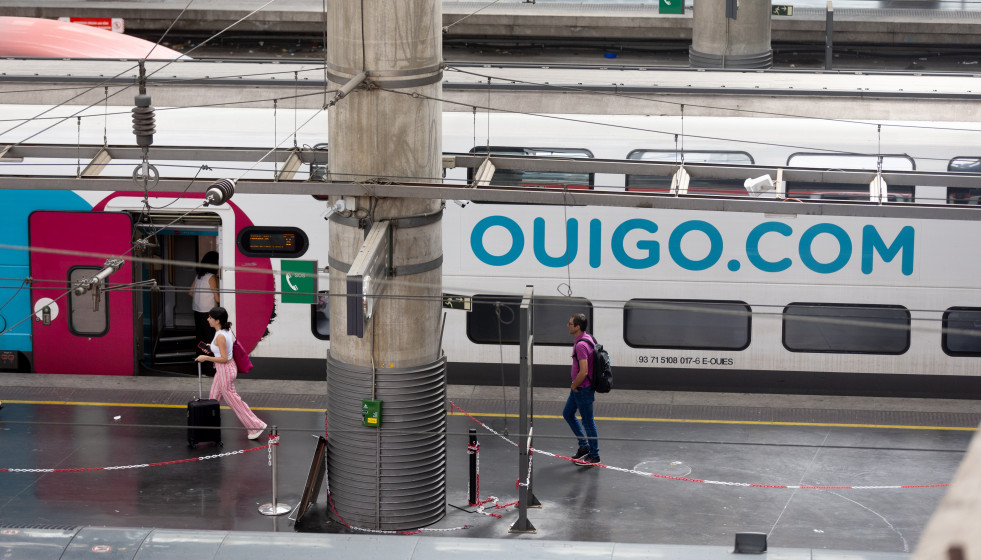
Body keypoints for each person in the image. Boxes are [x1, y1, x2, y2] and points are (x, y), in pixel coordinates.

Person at [195, 306, 266, 440]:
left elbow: (224, 358)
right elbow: (225, 350)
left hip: (225, 370)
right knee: (213, 399)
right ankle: (208, 429)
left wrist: (206, 357)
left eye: (210, 317)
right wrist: (212, 348)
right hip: (223, 370)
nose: (207, 319)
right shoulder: (224, 330)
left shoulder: (220, 336)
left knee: (234, 401)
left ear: (217, 320)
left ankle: (255, 426)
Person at [564, 313, 600, 465]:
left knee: (588, 422)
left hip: (582, 388)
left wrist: (574, 385)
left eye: (570, 324)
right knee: (568, 413)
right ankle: (584, 446)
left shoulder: (581, 345)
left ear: (577, 327)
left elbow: (583, 371)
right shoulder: (587, 338)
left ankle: (594, 455)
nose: (568, 326)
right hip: (579, 387)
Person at [189, 251, 220, 371]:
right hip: (208, 313)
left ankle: (200, 367)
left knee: (200, 339)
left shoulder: (199, 276)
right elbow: (217, 298)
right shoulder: (211, 277)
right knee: (210, 340)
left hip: (197, 311)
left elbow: (190, 292)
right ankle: (209, 369)